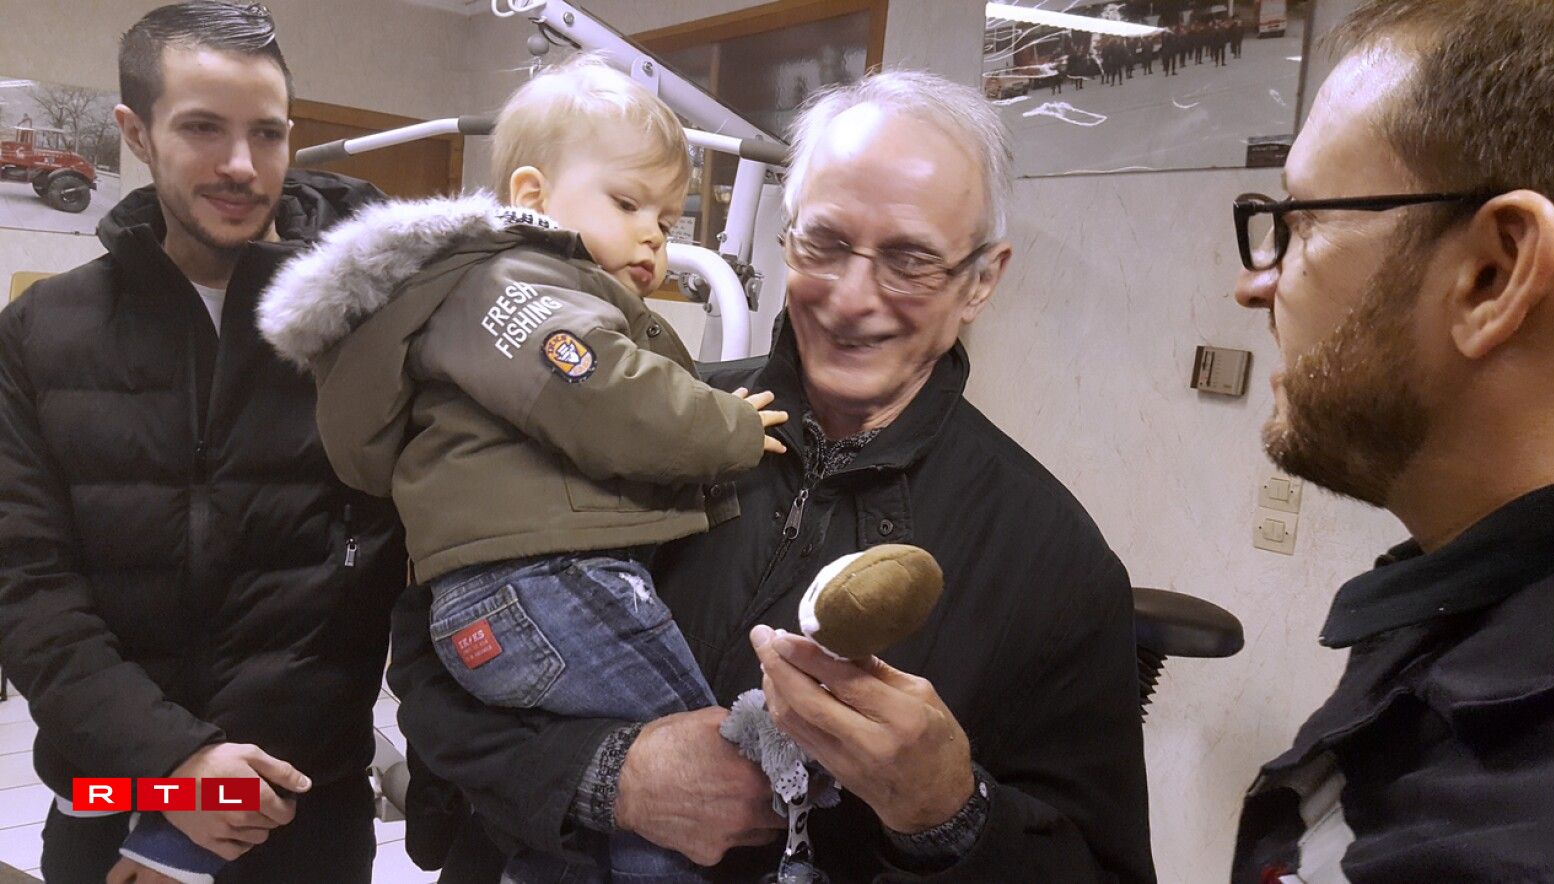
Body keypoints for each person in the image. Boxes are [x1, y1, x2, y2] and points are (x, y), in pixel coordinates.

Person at [389, 69, 1156, 883]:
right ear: (785, 236)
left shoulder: (1054, 562)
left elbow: (1097, 867)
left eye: (910, 261)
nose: (852, 299)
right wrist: (612, 778)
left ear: (981, 280)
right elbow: (432, 670)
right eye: (824, 244)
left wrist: (948, 815)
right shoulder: (624, 425)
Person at [257, 54, 793, 882]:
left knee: (591, 813)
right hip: (548, 587)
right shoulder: (514, 284)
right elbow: (605, 399)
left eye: (668, 214)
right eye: (627, 203)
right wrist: (726, 428)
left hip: (501, 601)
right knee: (704, 778)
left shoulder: (481, 296)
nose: (655, 233)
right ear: (535, 198)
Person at [0, 3, 406, 883]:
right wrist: (169, 771)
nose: (239, 165)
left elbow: (359, 586)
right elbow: (25, 586)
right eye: (201, 129)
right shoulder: (40, 334)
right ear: (135, 133)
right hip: (107, 797)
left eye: (267, 134)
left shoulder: (366, 327)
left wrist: (210, 807)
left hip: (306, 802)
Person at [1228, 1, 1554, 880]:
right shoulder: (1470, 628)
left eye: (1301, 220)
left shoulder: (1514, 820)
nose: (1254, 283)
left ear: (1492, 275)